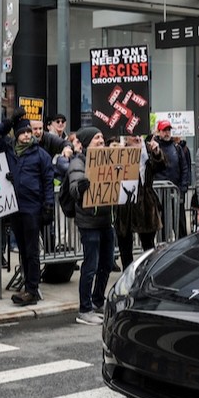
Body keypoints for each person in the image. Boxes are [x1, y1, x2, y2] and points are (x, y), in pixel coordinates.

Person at [0, 111, 54, 307]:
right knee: (23, 250)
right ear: (16, 134)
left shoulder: (40, 154)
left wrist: (48, 205)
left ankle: (32, 289)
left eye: (28, 132)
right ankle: (28, 285)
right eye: (22, 132)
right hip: (14, 207)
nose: (26, 135)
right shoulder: (9, 150)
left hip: (32, 207)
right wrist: (8, 122)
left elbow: (48, 181)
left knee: (32, 250)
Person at [66, 127, 115, 325]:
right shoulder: (78, 162)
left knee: (106, 263)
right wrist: (81, 186)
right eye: (97, 137)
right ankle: (84, 309)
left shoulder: (107, 158)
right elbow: (73, 188)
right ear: (87, 142)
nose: (101, 140)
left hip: (105, 219)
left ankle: (98, 301)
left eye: (102, 136)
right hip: (89, 221)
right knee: (91, 266)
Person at [113, 135, 163, 272]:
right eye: (132, 135)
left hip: (146, 203)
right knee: (125, 244)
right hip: (125, 204)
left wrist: (157, 153)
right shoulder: (118, 148)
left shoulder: (148, 149)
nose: (136, 137)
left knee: (148, 245)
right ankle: (127, 275)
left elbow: (161, 167)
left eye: (138, 134)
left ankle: (149, 273)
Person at [153, 120, 190, 238]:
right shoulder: (154, 149)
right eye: (164, 130)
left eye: (168, 130)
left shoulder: (177, 148)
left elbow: (184, 169)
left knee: (180, 224)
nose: (167, 133)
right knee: (162, 227)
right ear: (158, 132)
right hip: (160, 194)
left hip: (176, 192)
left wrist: (183, 188)